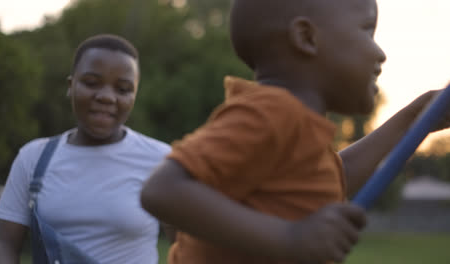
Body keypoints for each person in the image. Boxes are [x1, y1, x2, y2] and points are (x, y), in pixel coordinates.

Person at [140, 0, 450, 263]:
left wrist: (415, 118)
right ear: (306, 37)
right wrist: (290, 237)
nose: (380, 53)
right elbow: (163, 190)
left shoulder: (295, 126)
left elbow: (335, 178)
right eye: (368, 30)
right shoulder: (271, 112)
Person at [0, 34, 171, 264]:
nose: (106, 97)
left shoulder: (162, 160)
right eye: (91, 83)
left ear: (134, 95)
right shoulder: (34, 158)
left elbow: (186, 248)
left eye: (123, 89)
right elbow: (3, 244)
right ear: (70, 85)